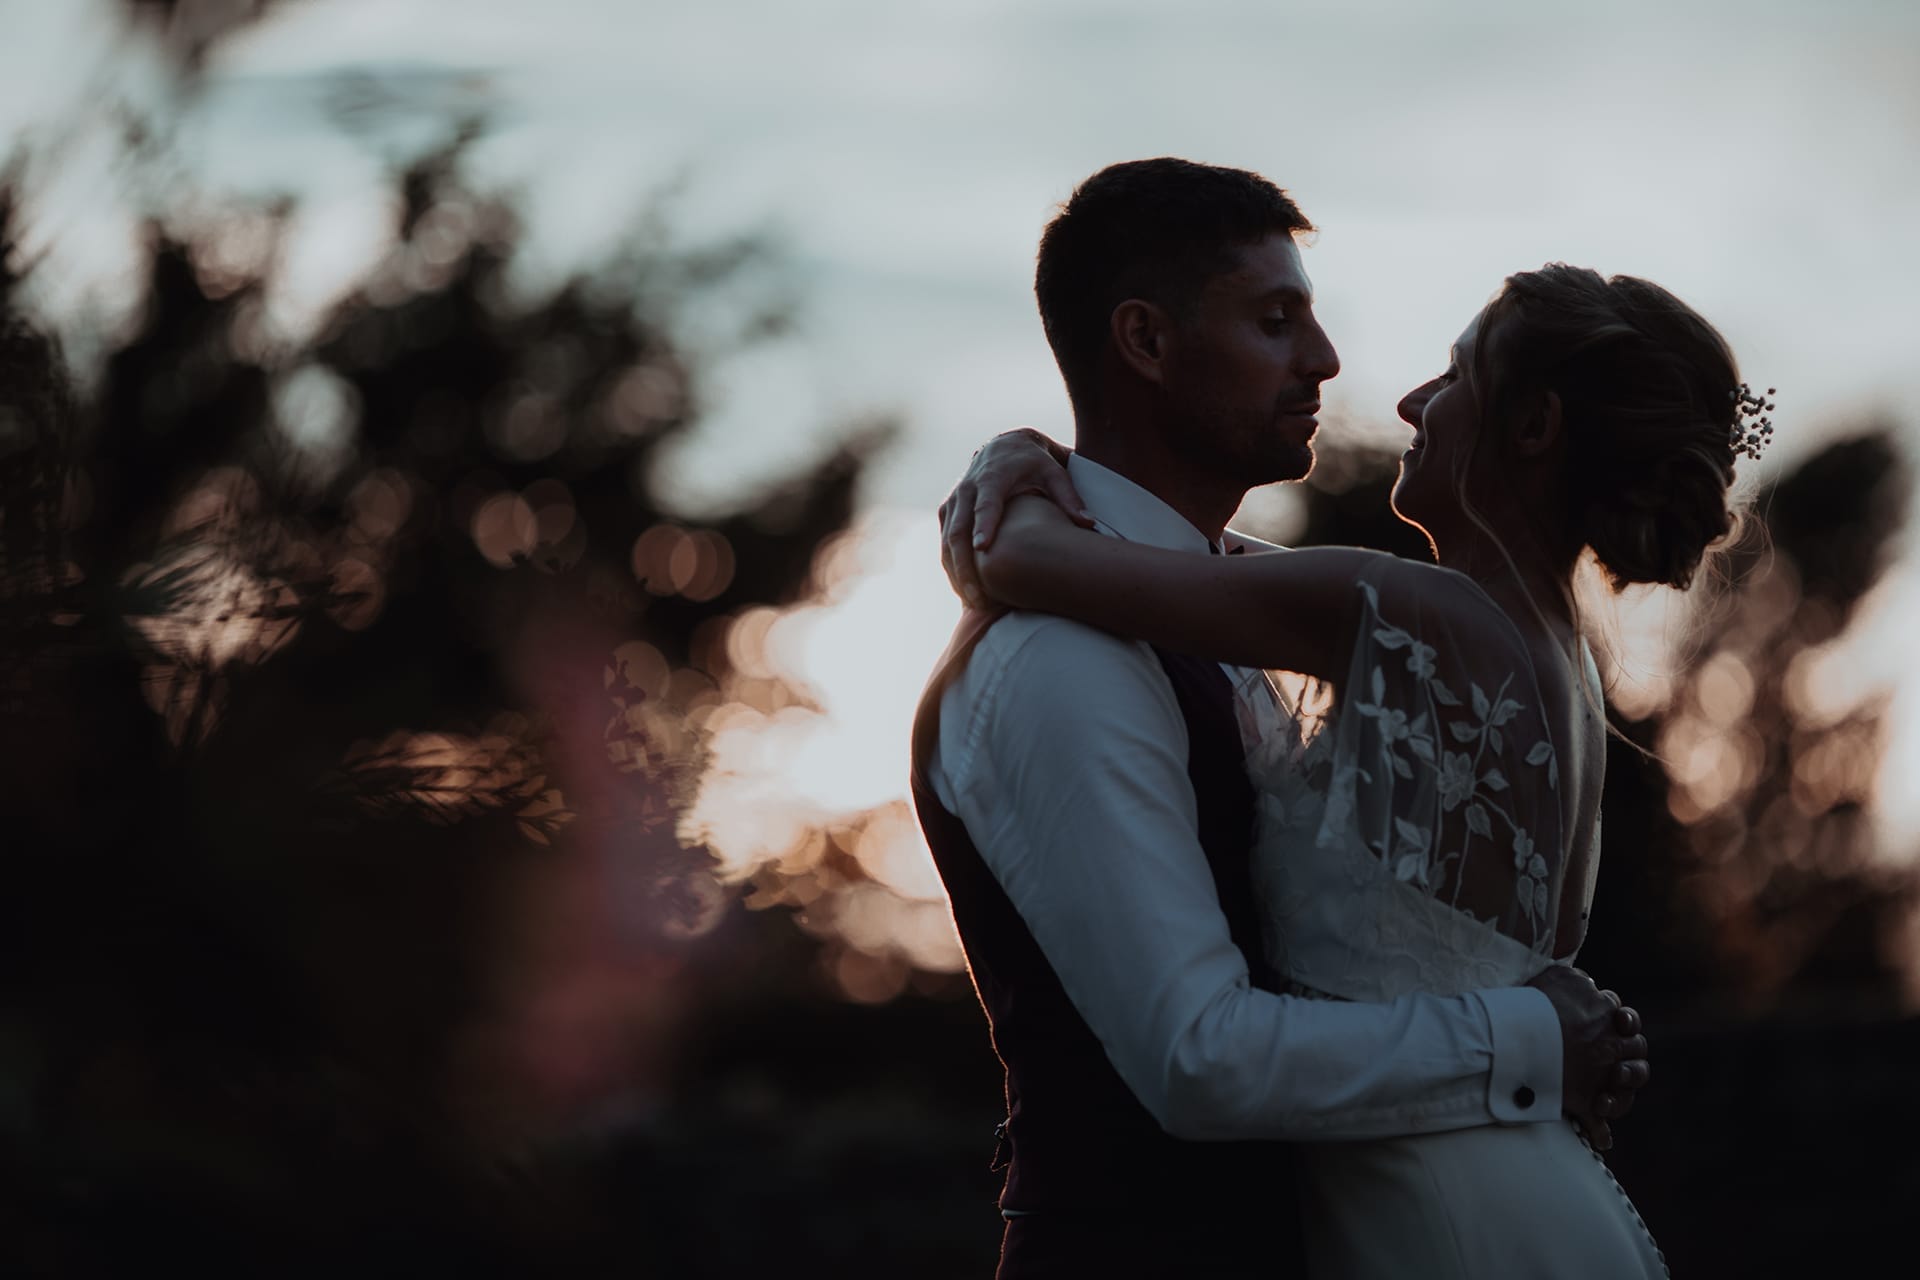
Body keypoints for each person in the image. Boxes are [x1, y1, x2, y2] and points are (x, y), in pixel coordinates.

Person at [909, 157, 1663, 1280]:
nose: (1326, 360)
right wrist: (1529, 1037)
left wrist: (1016, 472)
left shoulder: (1251, 610)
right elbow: (1197, 1054)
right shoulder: (1060, 658)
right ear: (1145, 341)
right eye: (1275, 321)